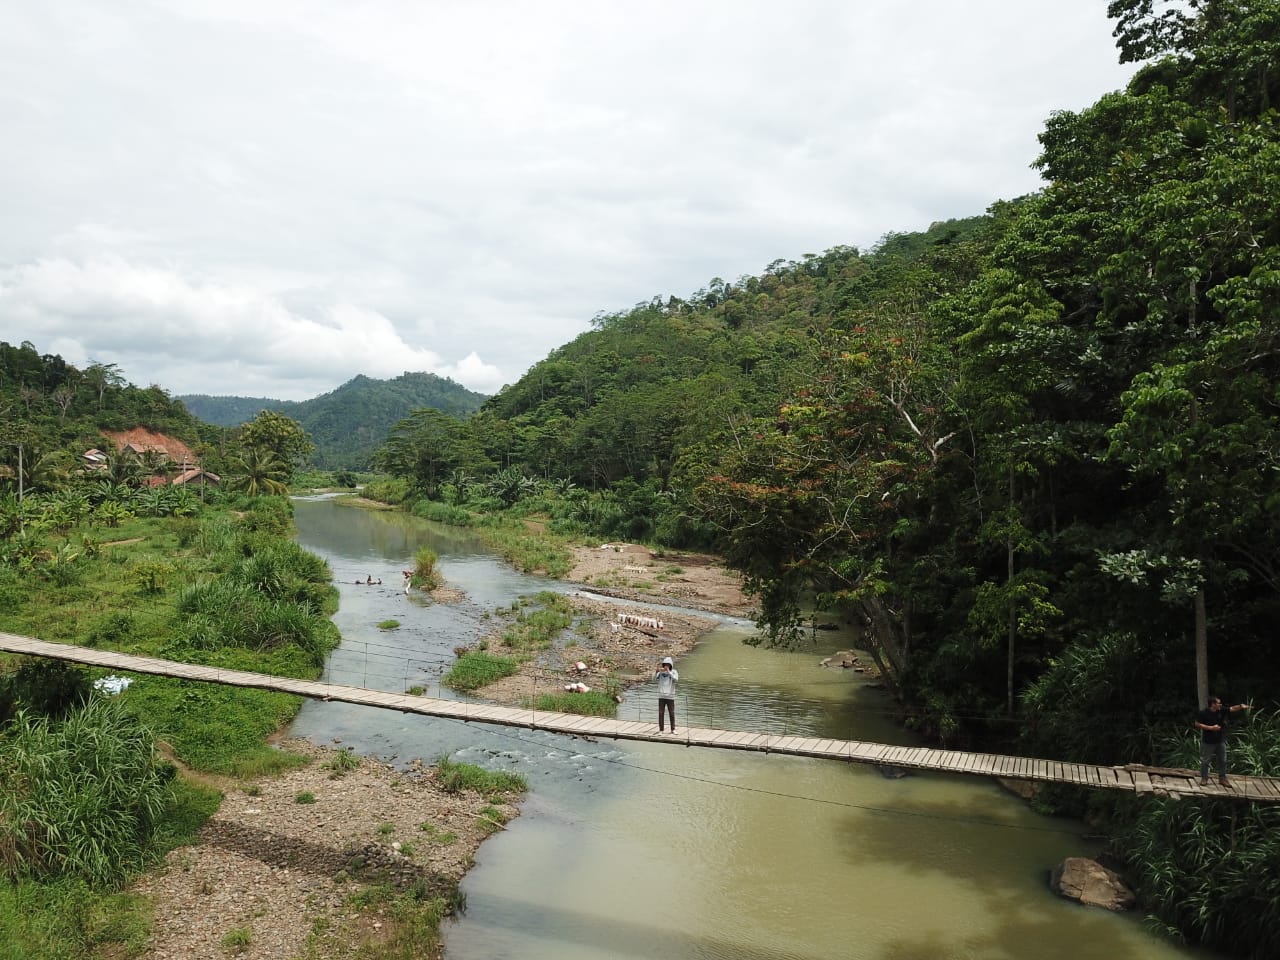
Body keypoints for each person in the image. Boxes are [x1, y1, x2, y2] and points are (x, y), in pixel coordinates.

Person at [1195, 695, 1252, 786]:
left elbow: (1232, 708)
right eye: (1218, 703)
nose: (1220, 704)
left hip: (1220, 740)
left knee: (1223, 760)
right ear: (1213, 704)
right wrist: (1211, 728)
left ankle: (1222, 778)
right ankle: (1204, 778)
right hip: (1208, 741)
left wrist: (1241, 706)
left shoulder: (1221, 710)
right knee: (1206, 761)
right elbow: (1197, 724)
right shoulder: (1203, 713)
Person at [655, 656, 678, 733]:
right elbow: (654, 678)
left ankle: (673, 729)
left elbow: (676, 679)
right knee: (661, 713)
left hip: (670, 696)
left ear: (671, 665)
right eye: (665, 664)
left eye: (668, 664)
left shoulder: (674, 672)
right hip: (661, 696)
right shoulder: (661, 673)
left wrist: (669, 672)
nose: (666, 666)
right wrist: (656, 672)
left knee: (671, 713)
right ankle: (661, 730)